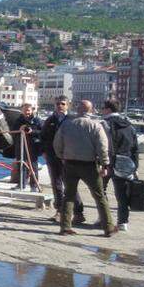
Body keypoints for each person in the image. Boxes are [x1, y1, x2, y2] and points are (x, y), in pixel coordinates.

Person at [54, 100, 115, 237]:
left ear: (77, 109)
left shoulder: (67, 124)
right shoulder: (96, 125)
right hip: (89, 165)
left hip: (70, 163)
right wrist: (104, 164)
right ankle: (108, 227)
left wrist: (62, 156)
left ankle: (65, 227)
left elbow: (57, 143)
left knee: (68, 196)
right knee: (99, 196)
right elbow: (102, 147)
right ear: (91, 110)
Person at [41, 97, 84, 224]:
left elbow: (78, 139)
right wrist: (44, 151)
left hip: (68, 157)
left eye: (63, 104)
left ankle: (78, 212)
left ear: (68, 105)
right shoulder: (50, 120)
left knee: (70, 185)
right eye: (57, 104)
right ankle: (59, 210)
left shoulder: (72, 120)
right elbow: (43, 137)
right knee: (56, 184)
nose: (60, 106)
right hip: (53, 157)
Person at [101, 99, 139, 232]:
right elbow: (135, 148)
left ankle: (104, 218)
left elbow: (101, 144)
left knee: (100, 190)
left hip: (107, 162)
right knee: (122, 195)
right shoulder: (129, 126)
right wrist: (135, 167)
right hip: (125, 162)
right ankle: (123, 222)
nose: (101, 110)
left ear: (109, 110)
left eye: (103, 108)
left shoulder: (104, 124)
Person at [9, 102, 44, 191]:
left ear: (32, 110)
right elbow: (12, 131)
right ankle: (21, 184)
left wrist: (32, 131)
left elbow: (42, 133)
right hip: (20, 146)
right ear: (22, 111)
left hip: (33, 146)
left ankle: (34, 185)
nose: (26, 112)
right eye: (24, 110)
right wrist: (19, 129)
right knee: (21, 164)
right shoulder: (18, 120)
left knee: (33, 166)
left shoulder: (37, 121)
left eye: (28, 110)